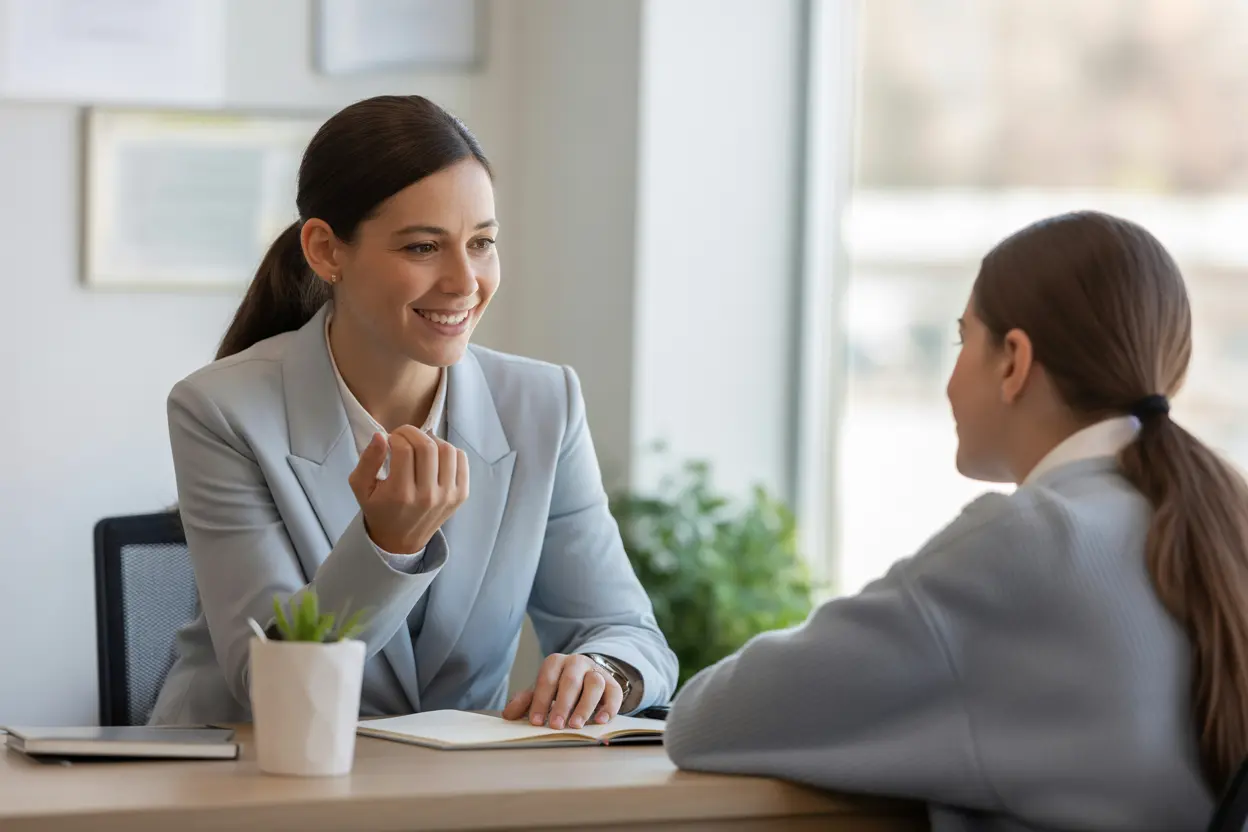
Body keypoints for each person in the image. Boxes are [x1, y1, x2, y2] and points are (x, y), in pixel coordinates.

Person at [664, 211, 1248, 831]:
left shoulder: (1028, 545)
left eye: (962, 339)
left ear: (1013, 361)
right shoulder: (1217, 521)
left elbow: (707, 720)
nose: (949, 379)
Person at [149, 95, 677, 729]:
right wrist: (387, 548)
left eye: (482, 243)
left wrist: (604, 671)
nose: (464, 281)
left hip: (450, 793)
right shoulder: (221, 409)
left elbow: (625, 630)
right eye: (424, 248)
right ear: (325, 250)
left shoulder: (543, 405)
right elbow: (269, 682)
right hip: (252, 785)